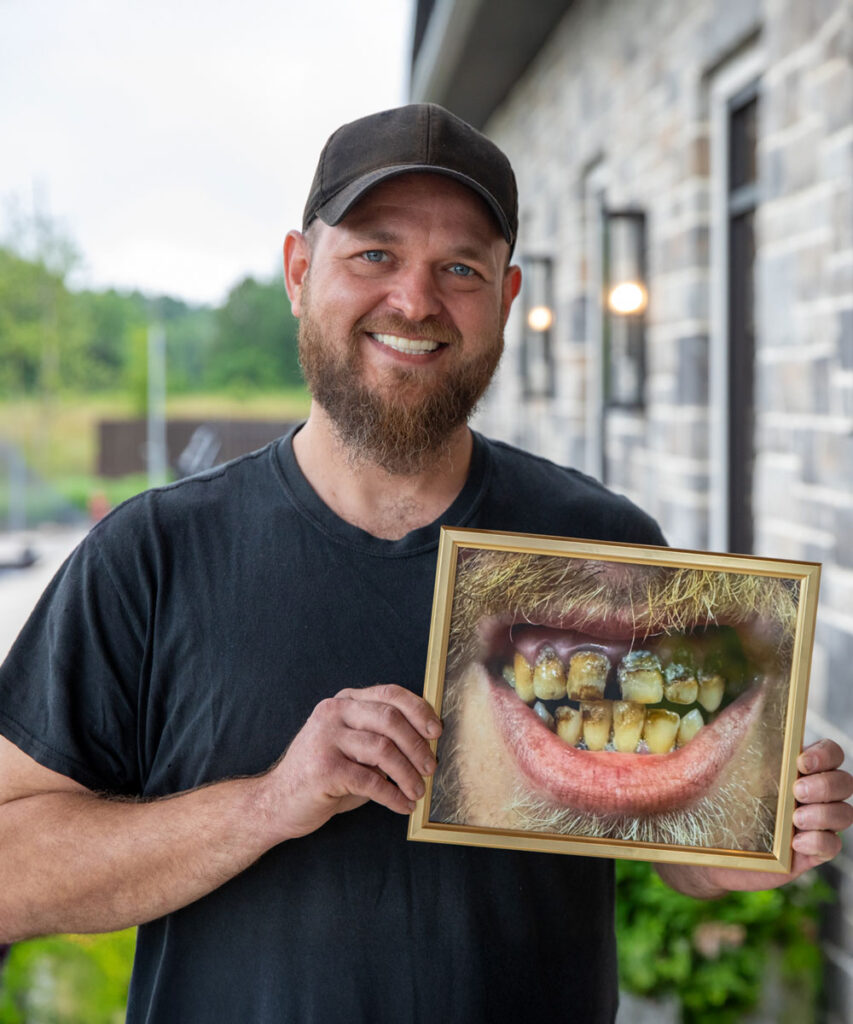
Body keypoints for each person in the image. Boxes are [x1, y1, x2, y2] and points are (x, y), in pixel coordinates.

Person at [0, 104, 850, 1023]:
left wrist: (750, 841)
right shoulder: (152, 554)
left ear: (507, 298)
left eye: (459, 269)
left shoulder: (600, 548)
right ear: (298, 271)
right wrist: (269, 804)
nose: (414, 300)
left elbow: (679, 845)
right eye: (374, 253)